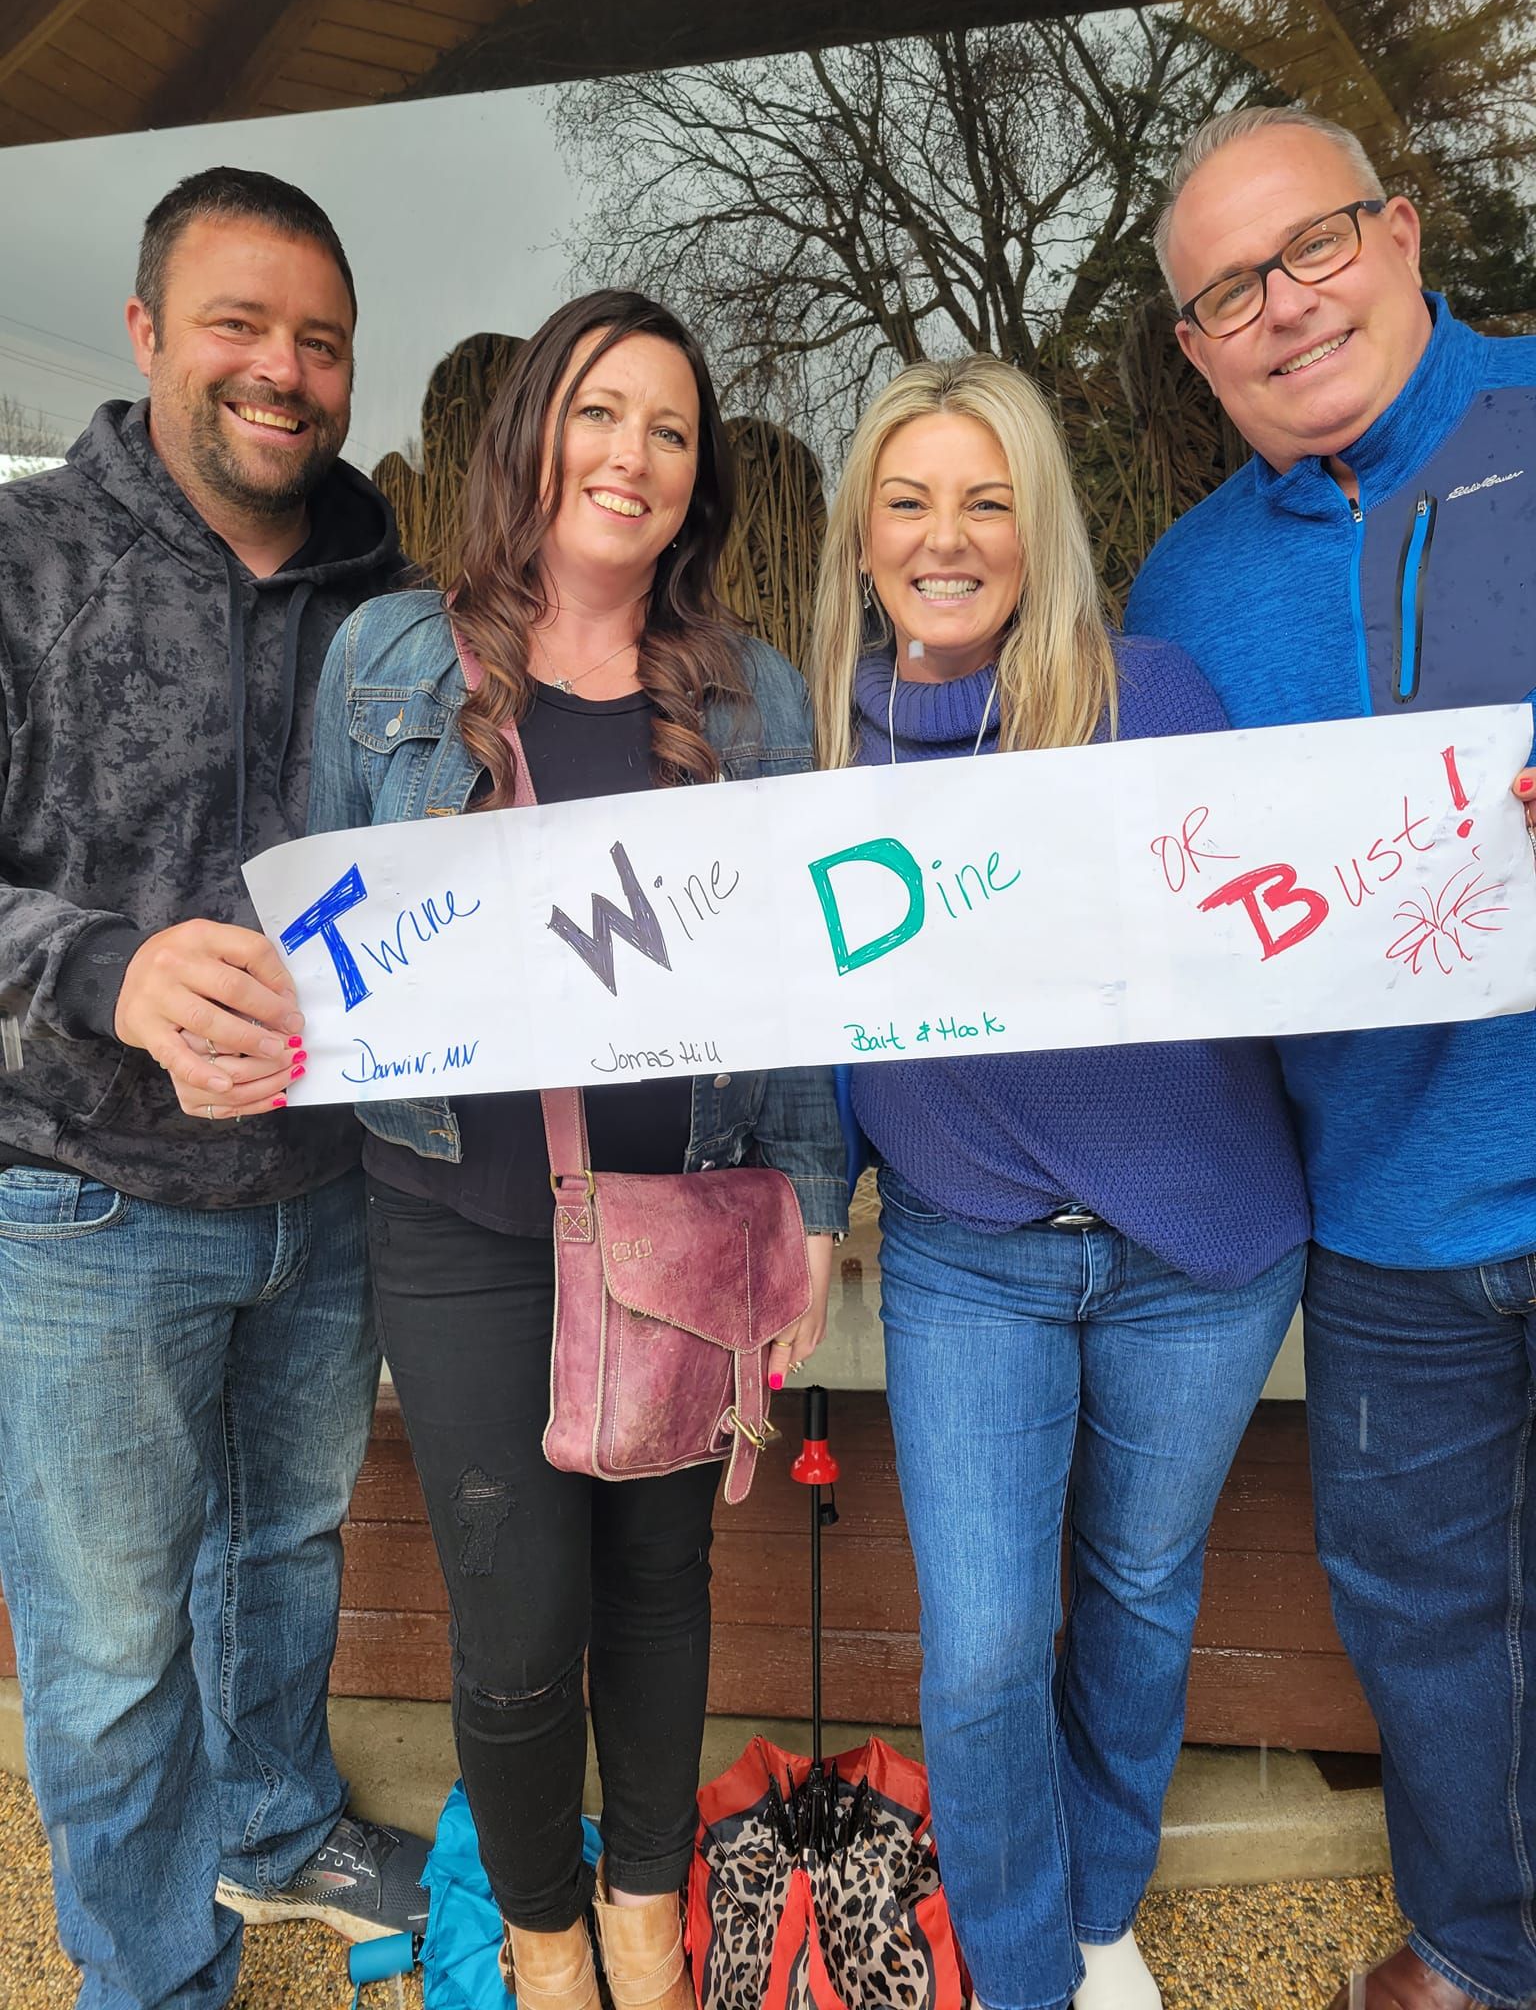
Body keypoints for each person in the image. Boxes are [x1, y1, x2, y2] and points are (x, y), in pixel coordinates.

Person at [298, 289, 846, 2010]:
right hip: (457, 1223)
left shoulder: (754, 693)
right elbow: (321, 928)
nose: (632, 455)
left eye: (670, 430)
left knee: (663, 1584)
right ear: (534, 431)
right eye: (600, 412)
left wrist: (814, 1204)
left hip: (689, 1212)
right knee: (520, 1618)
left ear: (699, 479)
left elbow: (801, 979)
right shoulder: (389, 661)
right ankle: (544, 1940)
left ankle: (642, 1921)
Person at [807, 354, 1308, 2010]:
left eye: (988, 501)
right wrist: (806, 1205)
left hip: (1202, 1252)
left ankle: (1100, 1917)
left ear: (1041, 529)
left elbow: (1282, 915)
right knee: (984, 1652)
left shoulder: (1152, 698)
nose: (946, 538)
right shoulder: (821, 749)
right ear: (863, 534)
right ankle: (1023, 1971)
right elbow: (808, 1015)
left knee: (1140, 1603)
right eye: (908, 502)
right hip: (968, 1257)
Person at [0, 168, 430, 2010]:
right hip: (87, 1198)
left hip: (326, 1197)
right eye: (240, 325)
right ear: (148, 332)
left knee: (285, 1553)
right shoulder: (24, 563)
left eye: (320, 342)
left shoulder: (392, 595)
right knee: (105, 1647)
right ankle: (155, 1972)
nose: (283, 370)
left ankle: (271, 1827)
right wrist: (108, 969)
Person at [1126, 103, 1536, 2010]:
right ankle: (1478, 1952)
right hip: (1382, 1213)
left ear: (1403, 231)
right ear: (1197, 350)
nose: (1285, 307)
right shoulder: (1185, 594)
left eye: (1313, 248)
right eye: (1230, 292)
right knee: (1427, 1618)